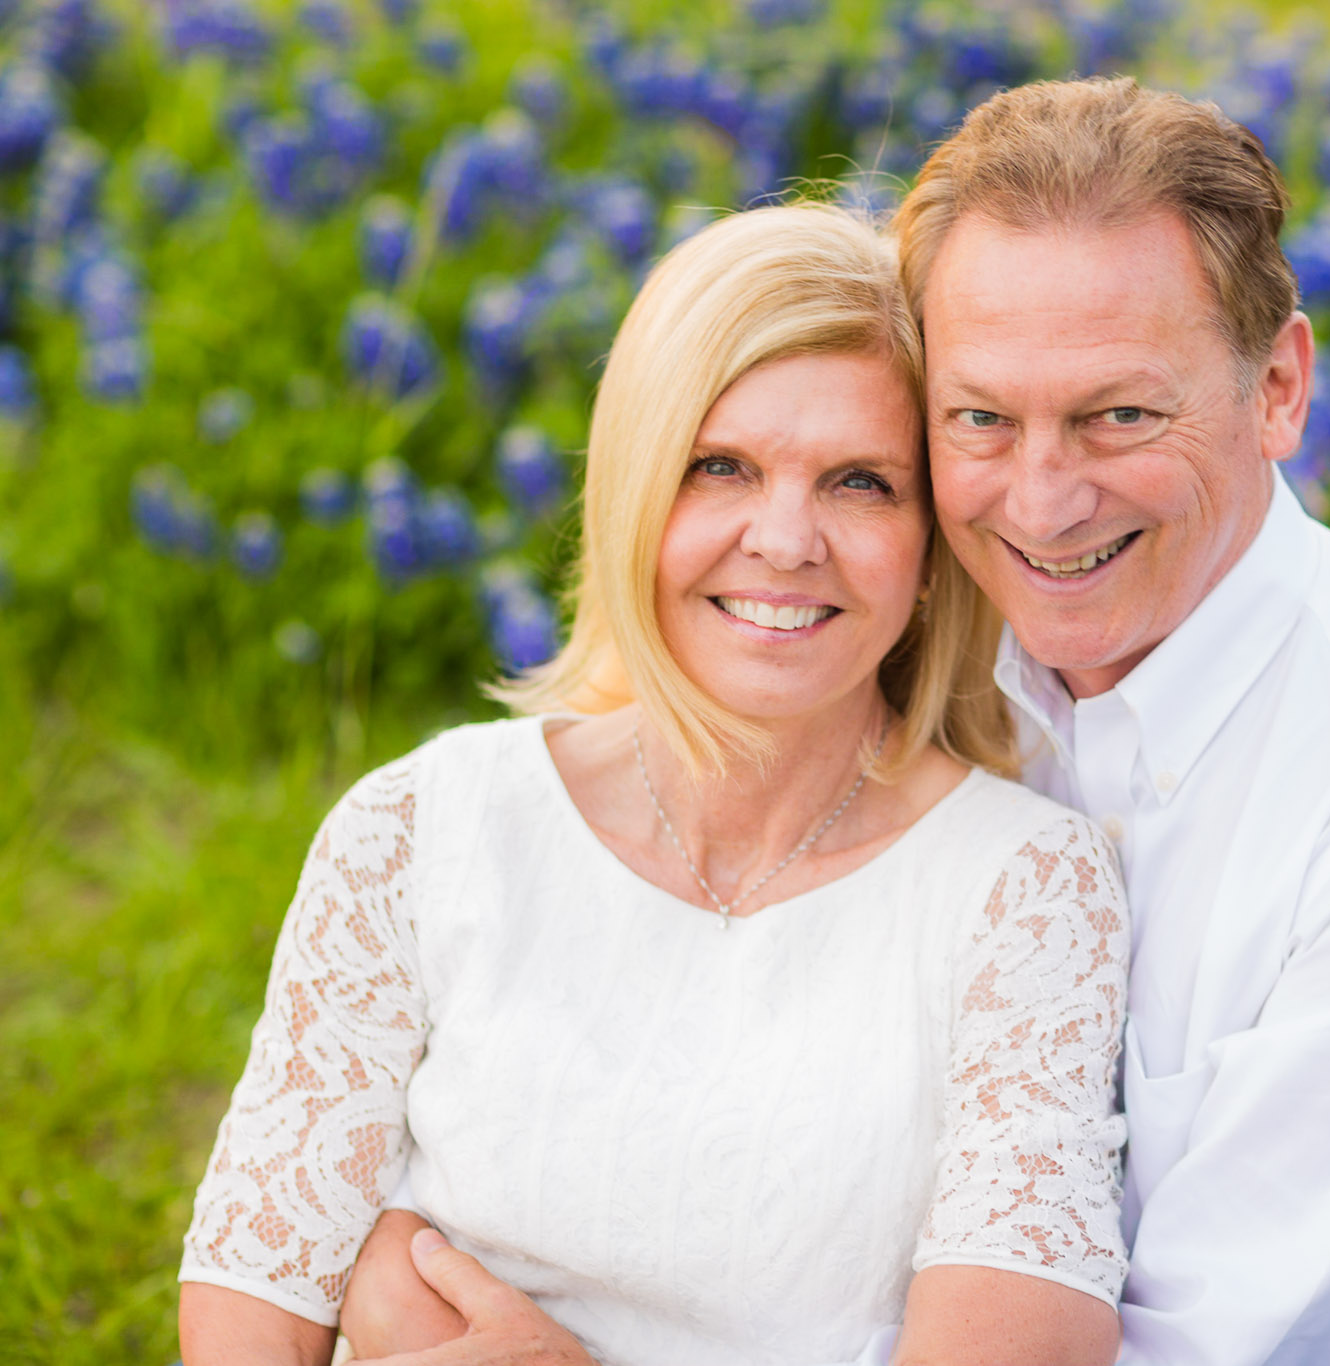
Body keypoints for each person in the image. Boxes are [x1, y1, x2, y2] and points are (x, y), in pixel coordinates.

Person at [341, 76, 1330, 1366]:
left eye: (1119, 415)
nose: (1040, 503)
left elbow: (1191, 1348)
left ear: (1279, 387)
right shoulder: (930, 672)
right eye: (979, 418)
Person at [174, 202, 1132, 1366]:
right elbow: (249, 1314)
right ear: (632, 490)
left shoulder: (1024, 891)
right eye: (717, 466)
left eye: (861, 483)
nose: (783, 539)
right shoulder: (423, 826)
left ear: (935, 544)